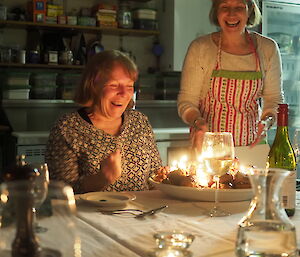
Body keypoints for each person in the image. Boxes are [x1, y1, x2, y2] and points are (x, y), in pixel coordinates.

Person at [45, 50, 162, 193]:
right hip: (91, 215)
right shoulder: (68, 128)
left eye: (129, 86)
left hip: (141, 213)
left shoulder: (140, 122)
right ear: (93, 85)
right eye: (114, 85)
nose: (124, 93)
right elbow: (60, 192)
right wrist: (102, 178)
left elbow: (156, 178)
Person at [178, 0, 283, 152]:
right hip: (210, 150)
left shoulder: (267, 48)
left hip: (253, 149)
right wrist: (198, 122)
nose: (231, 14)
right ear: (216, 11)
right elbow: (187, 101)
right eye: (225, 7)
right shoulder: (201, 48)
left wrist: (267, 121)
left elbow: (274, 99)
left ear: (250, 10)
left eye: (239, 7)